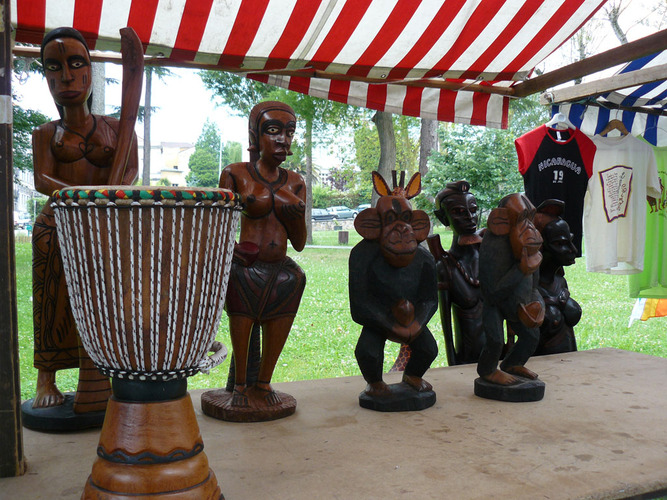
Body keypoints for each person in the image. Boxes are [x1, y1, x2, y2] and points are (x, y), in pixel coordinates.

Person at [30, 27, 138, 411]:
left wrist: (108, 197)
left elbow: (129, 172)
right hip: (57, 228)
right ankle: (47, 378)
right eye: (54, 67)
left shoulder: (118, 128)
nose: (67, 76)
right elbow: (43, 179)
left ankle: (105, 372)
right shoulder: (45, 133)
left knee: (108, 303)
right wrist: (87, 198)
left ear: (91, 71)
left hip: (103, 228)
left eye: (77, 63)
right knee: (53, 303)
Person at [219, 101, 306, 408]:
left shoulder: (295, 182)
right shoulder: (235, 174)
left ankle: (264, 380)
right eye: (273, 130)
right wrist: (231, 251)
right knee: (241, 315)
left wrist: (293, 213)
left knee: (296, 278)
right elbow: (218, 228)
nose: (283, 139)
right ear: (255, 135)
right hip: (245, 266)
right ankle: (241, 384)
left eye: (289, 132)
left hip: (279, 266)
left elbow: (299, 243)